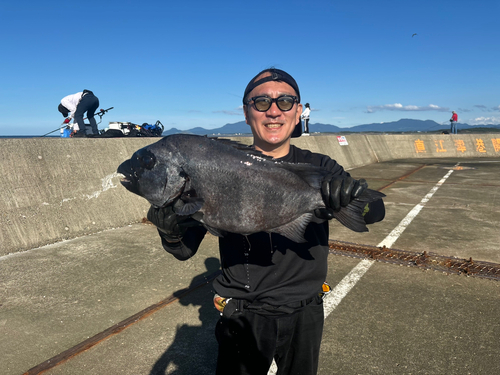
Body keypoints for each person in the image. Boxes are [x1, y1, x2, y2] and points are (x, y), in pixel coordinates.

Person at [147, 68, 385, 375]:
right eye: (261, 102)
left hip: (306, 311)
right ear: (247, 114)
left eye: (285, 102)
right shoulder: (214, 167)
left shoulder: (319, 167)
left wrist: (347, 198)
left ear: (298, 112)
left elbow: (374, 211)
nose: (274, 111)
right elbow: (183, 250)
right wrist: (169, 231)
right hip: (244, 314)